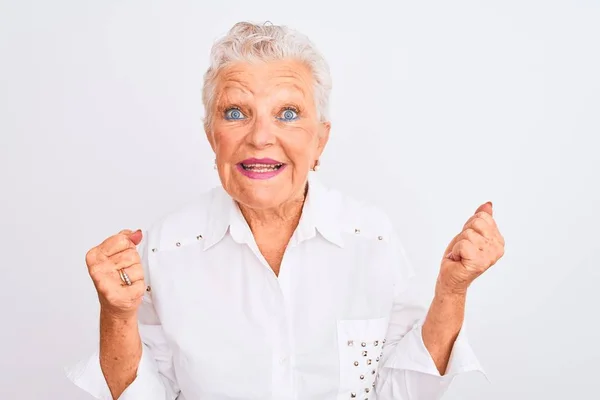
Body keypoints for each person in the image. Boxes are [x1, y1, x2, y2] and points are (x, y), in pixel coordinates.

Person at [66, 21, 505, 400]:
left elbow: (403, 392)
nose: (260, 137)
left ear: (320, 139)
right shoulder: (168, 246)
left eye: (288, 113)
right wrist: (118, 315)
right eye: (236, 112)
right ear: (210, 136)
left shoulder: (370, 235)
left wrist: (452, 291)